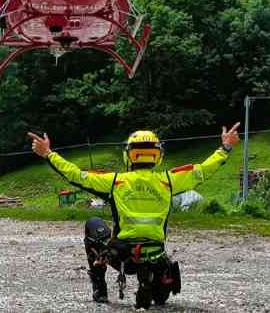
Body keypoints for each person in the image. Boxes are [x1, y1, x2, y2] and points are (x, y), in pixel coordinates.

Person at [27, 123, 240, 306]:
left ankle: (100, 288)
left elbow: (75, 175)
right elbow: (203, 170)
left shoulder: (114, 181)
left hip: (123, 258)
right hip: (155, 257)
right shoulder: (169, 181)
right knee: (161, 300)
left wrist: (48, 154)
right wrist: (226, 147)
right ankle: (153, 282)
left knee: (93, 223)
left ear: (128, 154)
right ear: (158, 155)